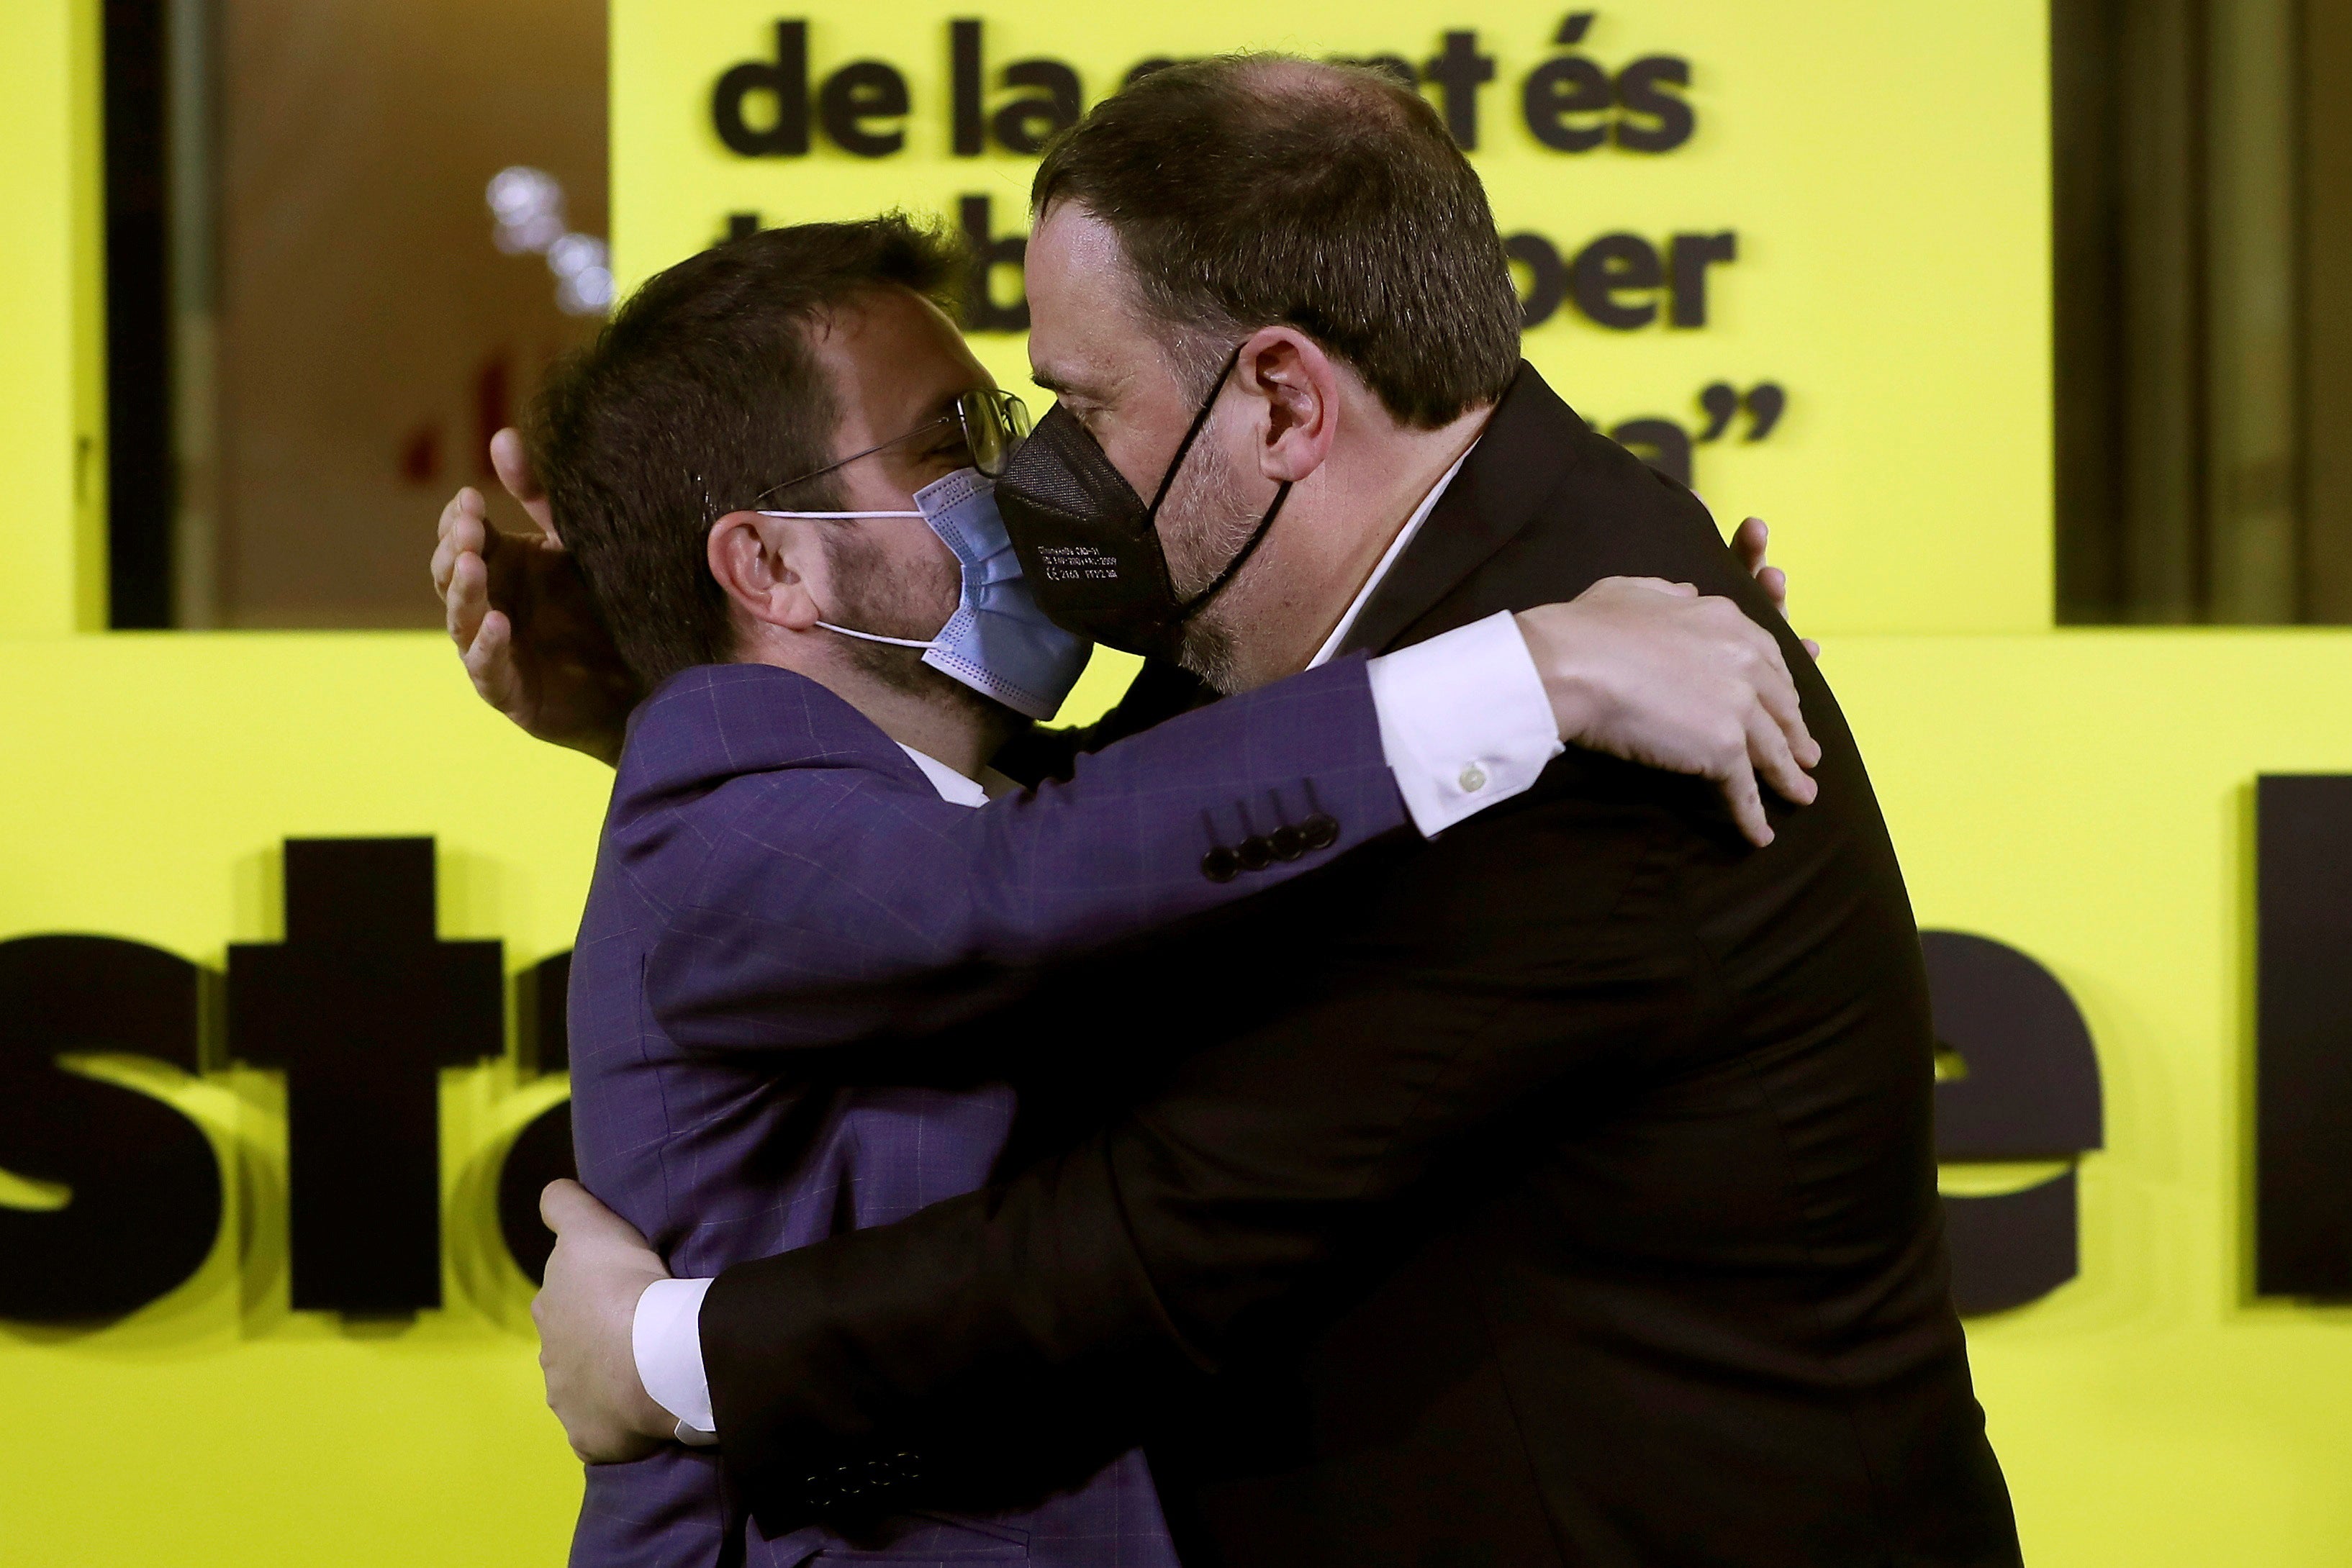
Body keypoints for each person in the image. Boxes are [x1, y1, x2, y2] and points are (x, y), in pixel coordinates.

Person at [511, 54, 2024, 1568]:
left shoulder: (1580, 749)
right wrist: (663, 709)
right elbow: (1068, 846)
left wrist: (657, 1360)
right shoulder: (1414, 621)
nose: (1040, 483)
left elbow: (1160, 1229)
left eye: (1074, 408)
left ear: (1284, 400)